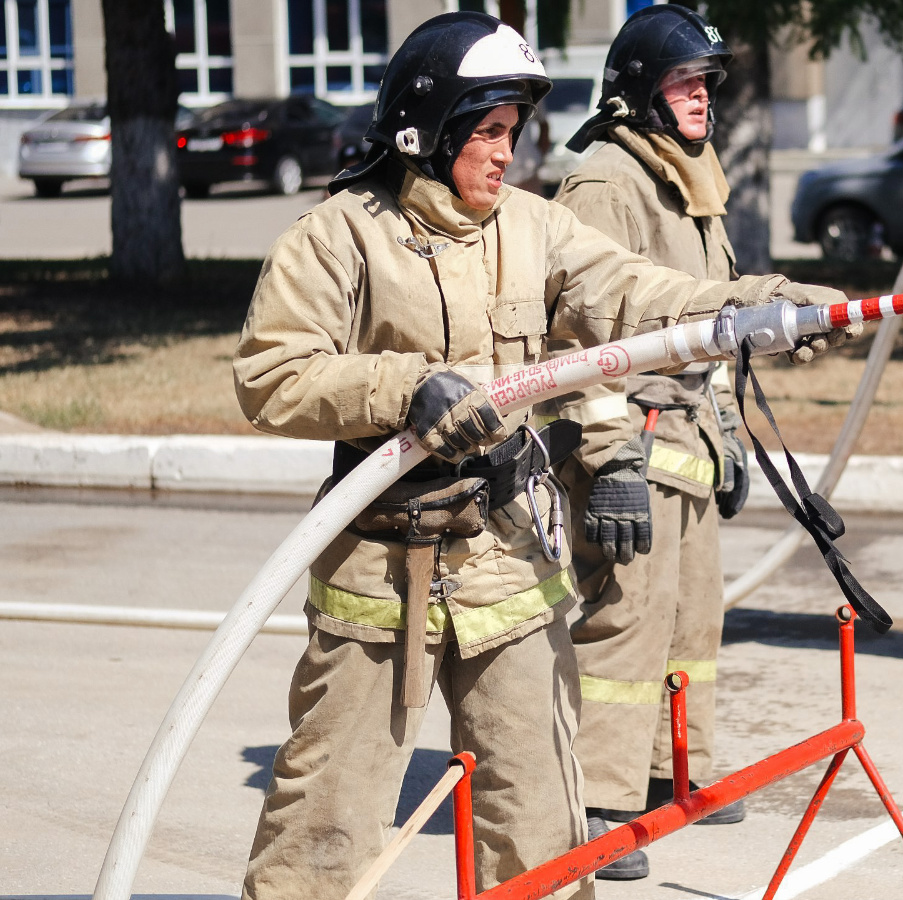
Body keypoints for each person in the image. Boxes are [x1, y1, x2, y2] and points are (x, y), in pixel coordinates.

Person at [230, 13, 852, 900]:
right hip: (379, 573)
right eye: (486, 132)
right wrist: (404, 389)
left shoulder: (531, 227)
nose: (505, 154)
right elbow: (272, 376)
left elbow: (636, 293)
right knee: (324, 819)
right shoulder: (339, 235)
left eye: (513, 133)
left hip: (507, 565)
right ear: (426, 127)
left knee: (540, 823)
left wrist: (756, 305)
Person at [551, 5, 747, 881]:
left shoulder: (693, 173)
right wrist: (611, 463)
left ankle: (680, 770)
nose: (701, 95)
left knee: (691, 620)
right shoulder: (606, 183)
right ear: (639, 92)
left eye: (707, 81)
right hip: (630, 442)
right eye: (683, 81)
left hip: (690, 437)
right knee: (626, 620)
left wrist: (731, 435)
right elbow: (575, 334)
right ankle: (601, 799)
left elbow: (718, 320)